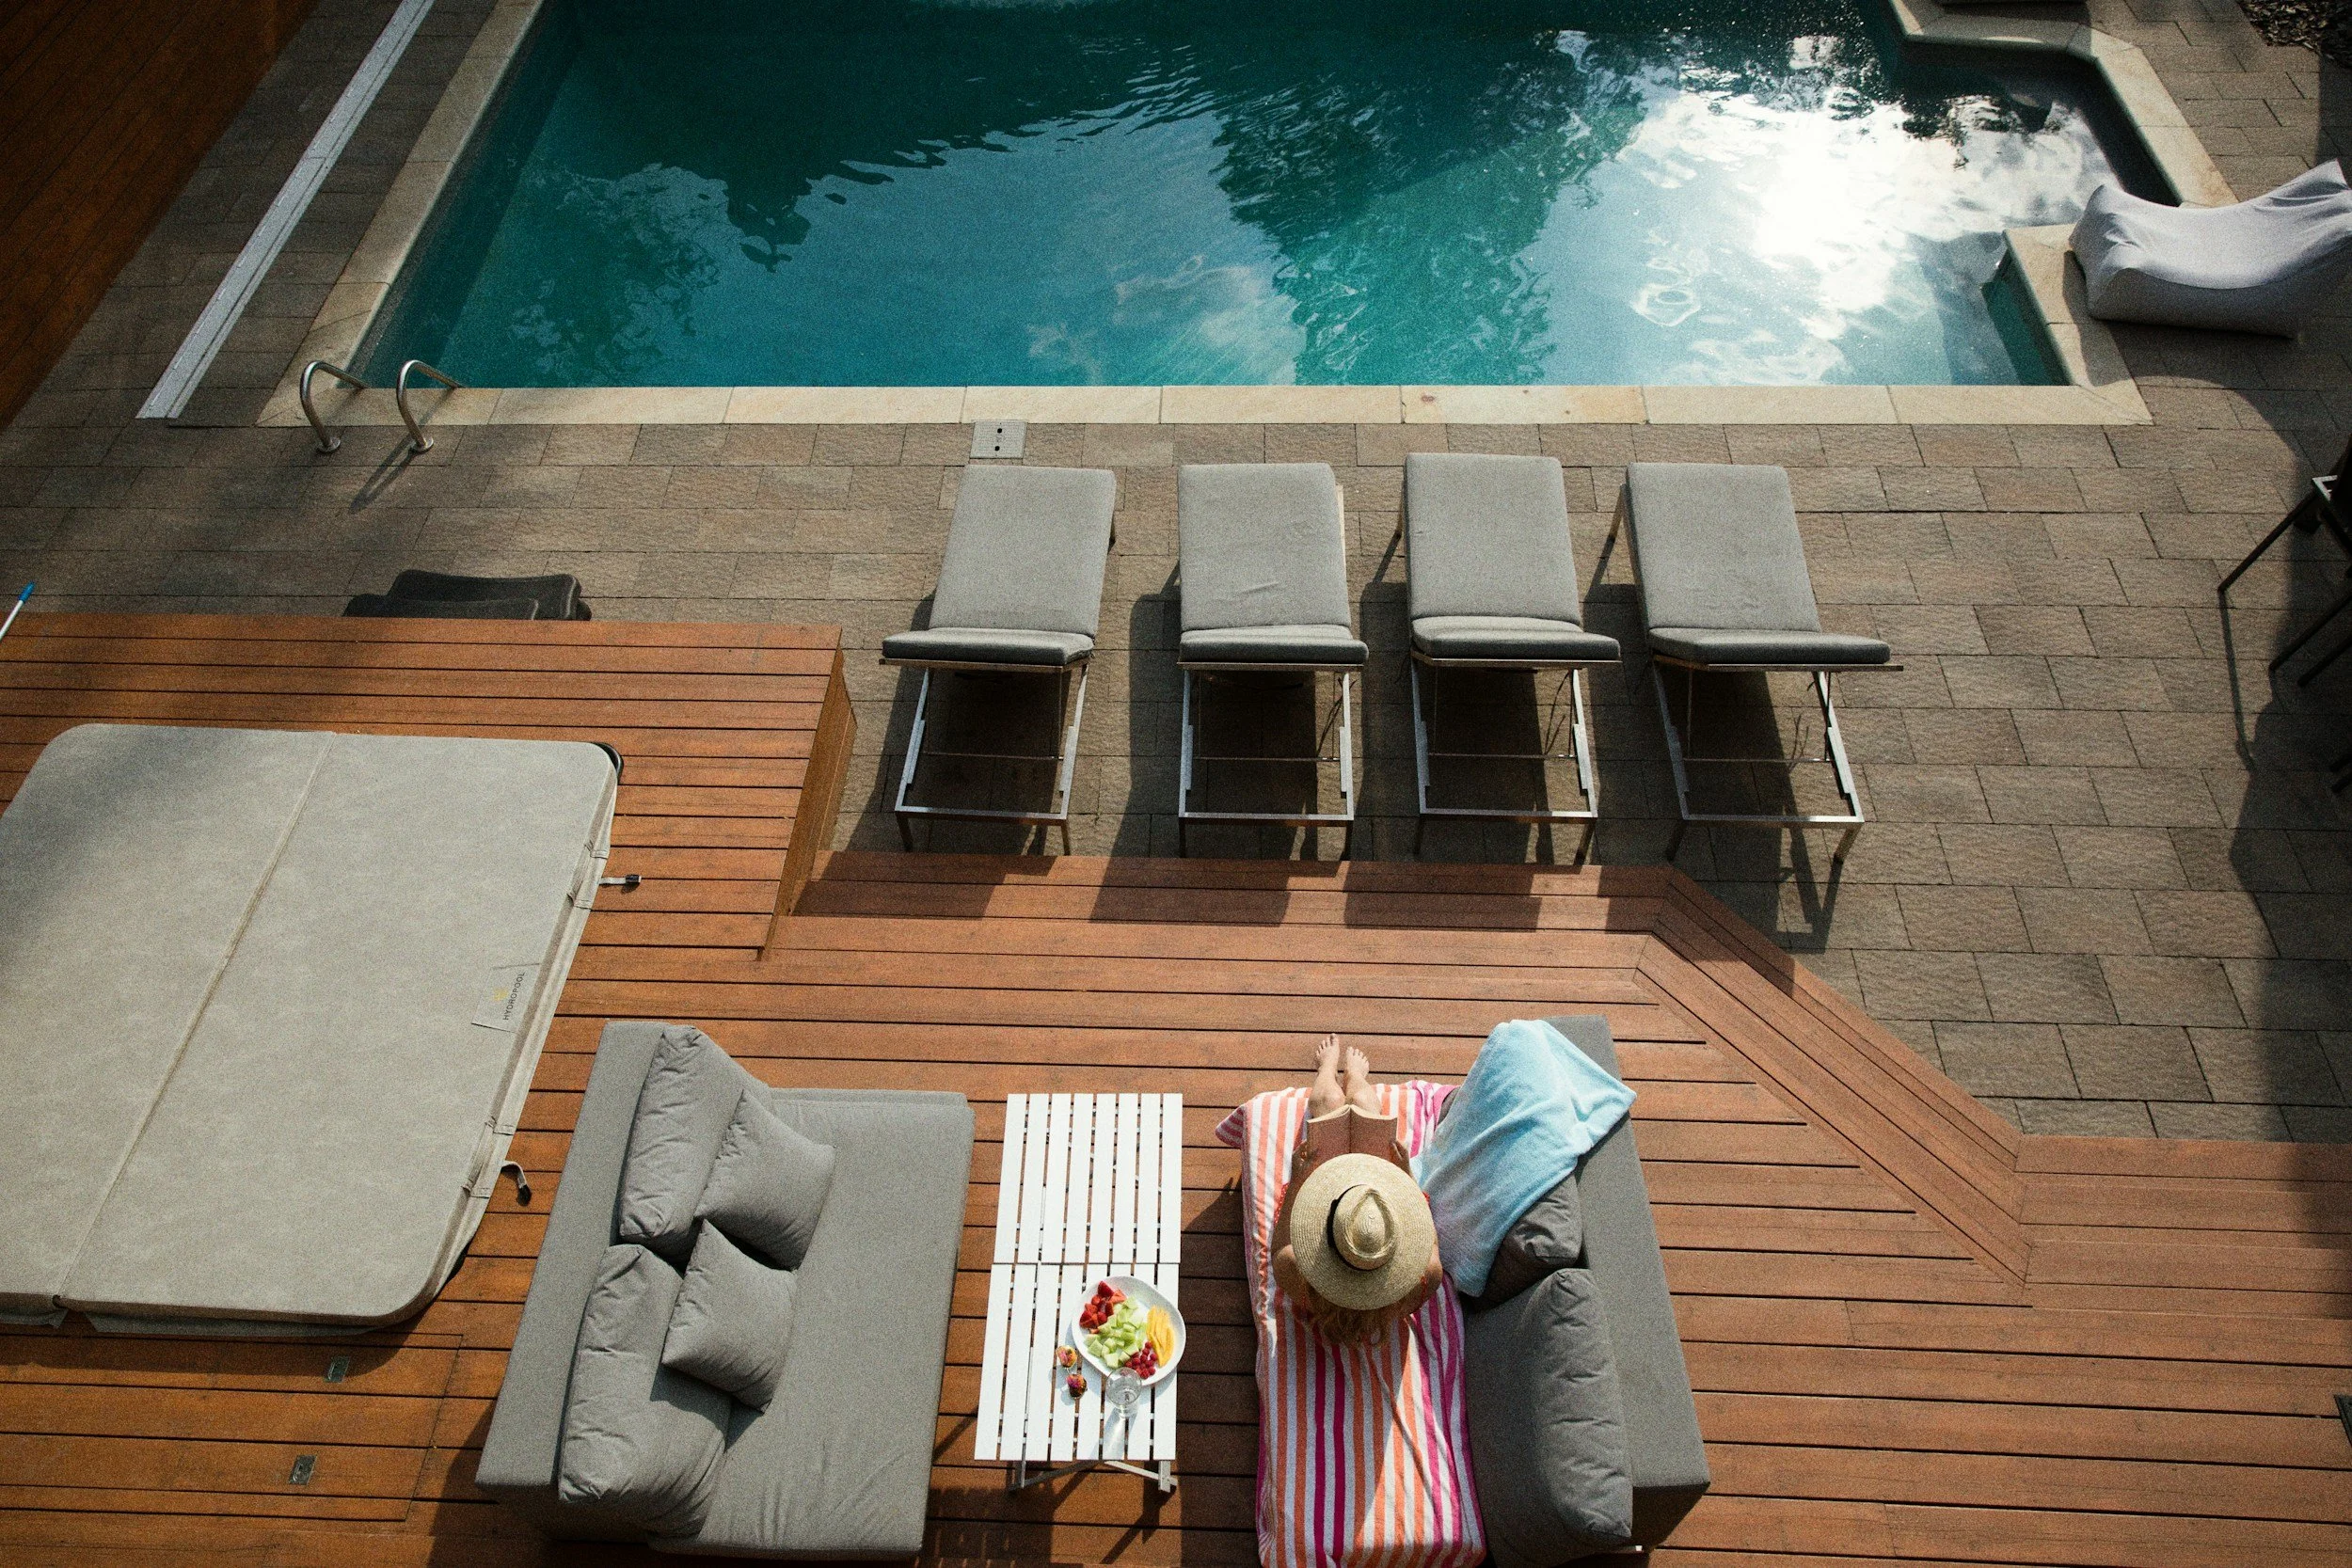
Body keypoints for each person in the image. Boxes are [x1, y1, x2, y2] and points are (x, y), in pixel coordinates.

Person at [1269, 1037, 1446, 1343]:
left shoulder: (1301, 1279)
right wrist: (1405, 1175)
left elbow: (1280, 1245)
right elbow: (1427, 1236)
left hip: (1346, 1208)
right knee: (1365, 1107)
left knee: (1329, 1107)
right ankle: (1356, 1078)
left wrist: (1299, 1179)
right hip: (1372, 1207)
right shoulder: (1419, 1283)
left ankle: (1327, 1070)